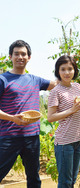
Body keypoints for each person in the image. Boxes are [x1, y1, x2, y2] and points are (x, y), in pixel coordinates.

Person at [0, 40, 57, 188]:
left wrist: (69, 68)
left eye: (23, 54)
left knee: (34, 178)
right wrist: (12, 118)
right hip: (8, 137)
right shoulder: (3, 80)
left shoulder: (35, 80)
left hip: (32, 138)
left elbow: (57, 85)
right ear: (10, 57)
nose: (20, 57)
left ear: (29, 57)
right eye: (16, 54)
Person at [47, 55, 80, 188]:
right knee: (65, 182)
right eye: (63, 69)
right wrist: (71, 110)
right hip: (64, 142)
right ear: (58, 71)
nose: (67, 72)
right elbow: (50, 117)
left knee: (73, 180)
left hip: (78, 140)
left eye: (70, 69)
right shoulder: (56, 91)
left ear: (75, 70)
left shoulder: (78, 87)